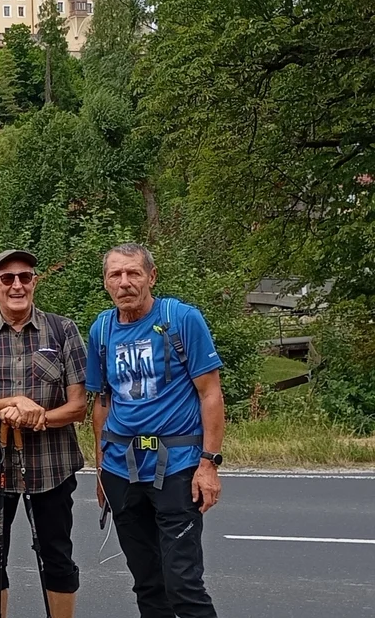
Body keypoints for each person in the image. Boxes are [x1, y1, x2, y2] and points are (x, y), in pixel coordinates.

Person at [89, 243, 224, 618]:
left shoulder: (181, 319)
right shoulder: (101, 330)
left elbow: (210, 393)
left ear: (152, 276)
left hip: (178, 466)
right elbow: (102, 401)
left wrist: (209, 464)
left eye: (133, 273)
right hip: (121, 469)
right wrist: (101, 470)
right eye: (115, 274)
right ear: (105, 282)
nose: (125, 282)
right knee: (147, 583)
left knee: (183, 584)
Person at [0, 250, 88, 618]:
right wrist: (14, 401)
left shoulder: (63, 330)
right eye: (7, 278)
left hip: (52, 466)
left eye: (25, 277)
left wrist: (35, 417)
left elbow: (78, 407)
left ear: (34, 282)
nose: (17, 285)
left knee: (57, 556)